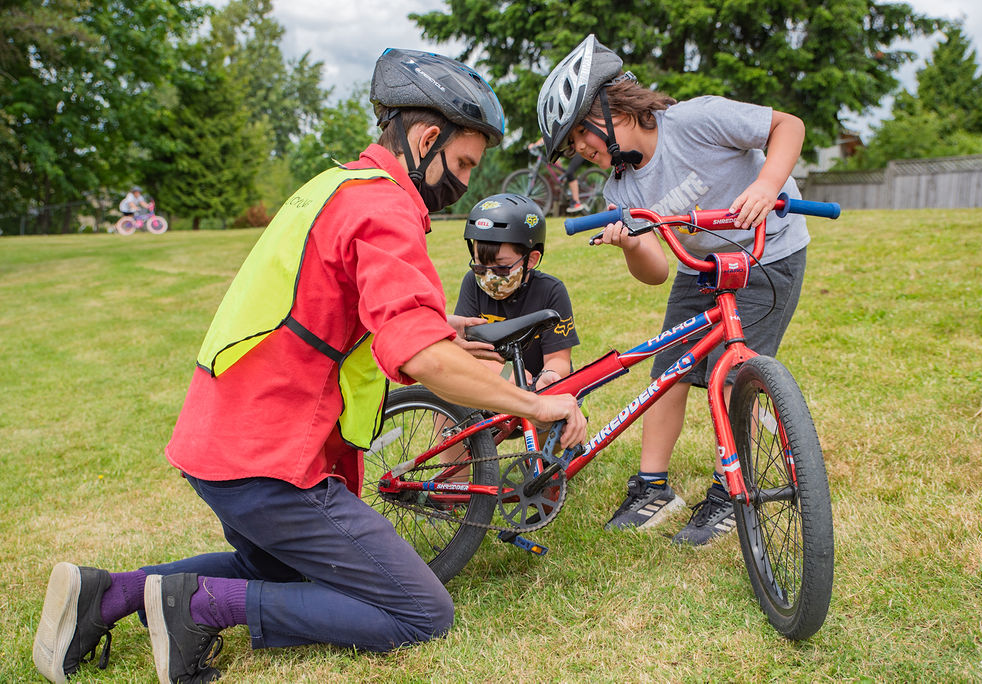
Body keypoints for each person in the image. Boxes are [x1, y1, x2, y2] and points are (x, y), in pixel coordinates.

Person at [33, 47, 585, 684]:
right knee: (420, 611)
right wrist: (540, 403)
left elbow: (324, 298)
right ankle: (199, 608)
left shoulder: (331, 187)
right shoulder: (384, 206)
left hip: (219, 443)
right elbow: (419, 355)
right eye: (462, 163)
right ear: (427, 138)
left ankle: (108, 595)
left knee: (286, 575)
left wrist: (438, 323)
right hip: (272, 461)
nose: (461, 183)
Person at [537, 35, 809, 545]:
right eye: (571, 145)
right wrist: (630, 246)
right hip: (699, 264)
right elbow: (657, 271)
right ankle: (652, 486)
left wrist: (768, 184)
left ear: (611, 104)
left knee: (735, 373)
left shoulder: (695, 120)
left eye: (579, 133)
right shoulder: (620, 188)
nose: (579, 150)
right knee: (671, 369)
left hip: (767, 252)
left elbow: (787, 126)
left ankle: (733, 490)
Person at [455, 192, 579, 390]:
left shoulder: (551, 291)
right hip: (489, 384)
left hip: (538, 389)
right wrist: (505, 374)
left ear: (531, 260)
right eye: (479, 267)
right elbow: (465, 352)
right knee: (449, 393)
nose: (488, 277)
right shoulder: (472, 284)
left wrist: (550, 376)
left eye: (501, 268)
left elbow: (559, 359)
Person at [527, 138, 587, 213]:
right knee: (553, 158)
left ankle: (576, 202)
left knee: (569, 173)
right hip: (569, 150)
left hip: (579, 149)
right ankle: (565, 179)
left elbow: (548, 136)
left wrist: (535, 144)